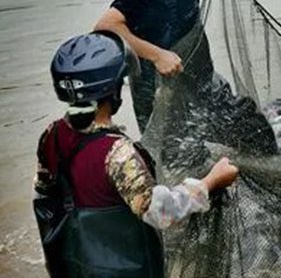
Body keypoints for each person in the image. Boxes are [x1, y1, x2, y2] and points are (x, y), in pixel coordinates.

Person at [34, 31, 239, 277]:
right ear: (112, 92)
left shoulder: (52, 135)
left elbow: (45, 192)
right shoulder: (118, 154)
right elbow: (162, 213)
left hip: (74, 265)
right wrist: (211, 180)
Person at [94, 0, 277, 154]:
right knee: (178, 153)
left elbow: (173, 4)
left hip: (199, 79)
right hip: (163, 92)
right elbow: (106, 25)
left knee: (254, 131)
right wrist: (157, 55)